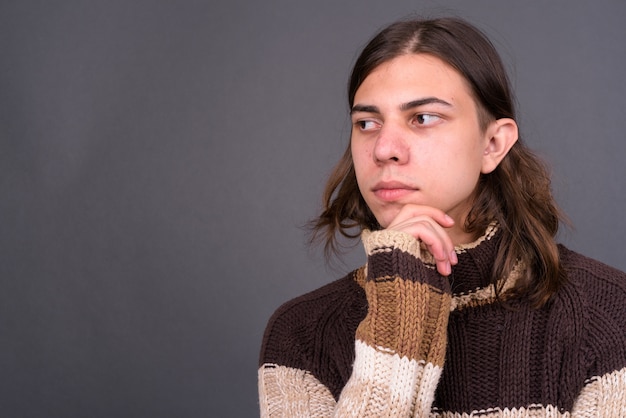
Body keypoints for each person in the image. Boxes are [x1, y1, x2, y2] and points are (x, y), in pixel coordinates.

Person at [258, 17, 626, 417]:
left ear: (493, 144)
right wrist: (398, 313)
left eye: (423, 118)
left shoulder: (609, 315)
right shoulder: (300, 335)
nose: (384, 148)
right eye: (367, 123)